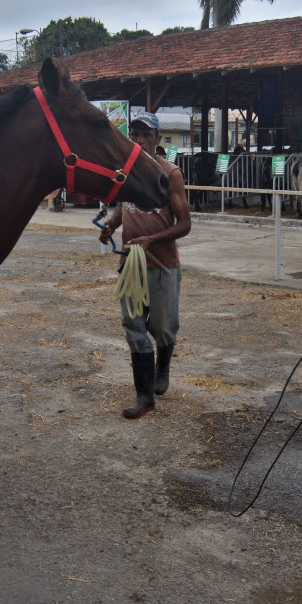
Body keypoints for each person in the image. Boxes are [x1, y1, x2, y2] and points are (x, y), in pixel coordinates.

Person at [99, 112, 192, 419]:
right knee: (133, 326)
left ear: (157, 139)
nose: (138, 140)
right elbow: (123, 207)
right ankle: (144, 396)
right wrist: (112, 224)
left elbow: (185, 224)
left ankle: (162, 369)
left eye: (145, 135)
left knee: (163, 328)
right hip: (131, 264)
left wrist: (152, 239)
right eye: (134, 135)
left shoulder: (170, 173)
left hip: (161, 264)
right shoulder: (125, 172)